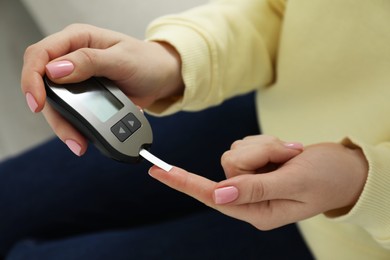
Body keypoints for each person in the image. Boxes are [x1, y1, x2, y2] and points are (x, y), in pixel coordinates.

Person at [1, 0, 389, 258]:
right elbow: (278, 10)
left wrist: (359, 182)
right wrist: (173, 60)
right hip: (265, 109)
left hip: (344, 240)